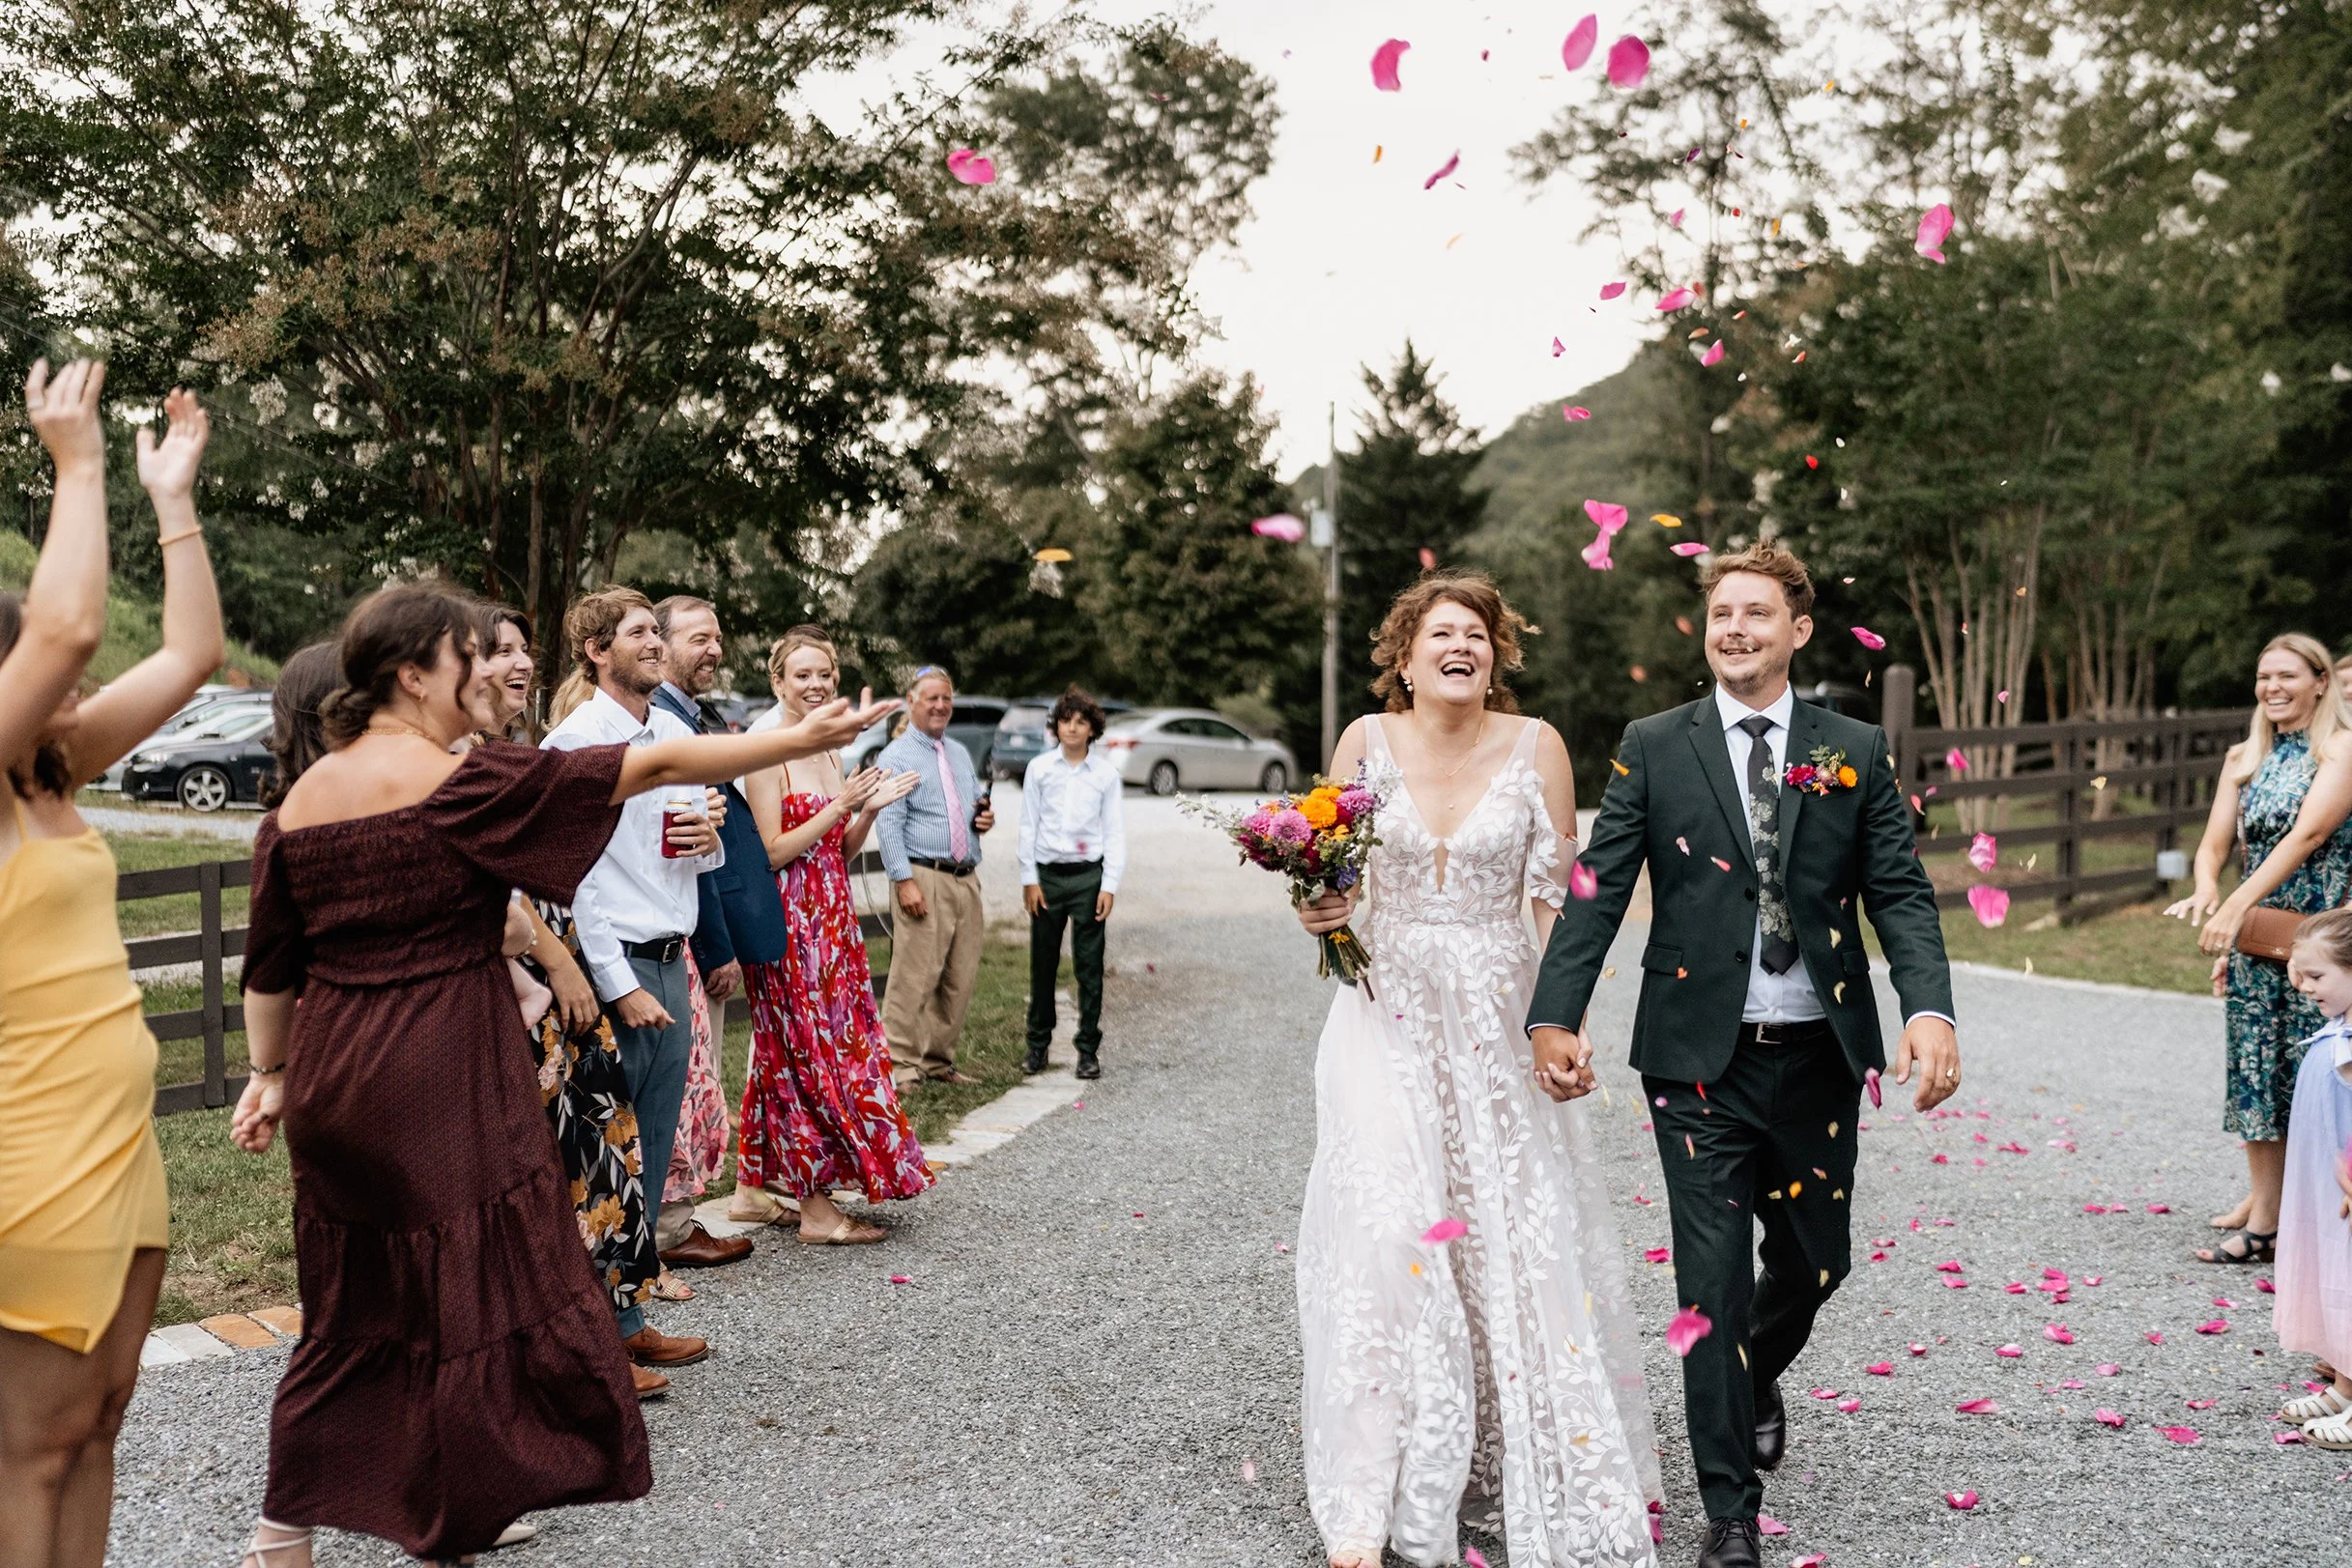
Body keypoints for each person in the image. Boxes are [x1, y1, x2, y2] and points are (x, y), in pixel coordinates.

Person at [225, 584, 894, 1567]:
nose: (489, 669)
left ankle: (290, 1538)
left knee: (349, 1306)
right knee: (469, 1292)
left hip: (334, 1082)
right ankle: (454, 1509)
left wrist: (272, 1076)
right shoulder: (462, 784)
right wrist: (791, 740)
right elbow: (656, 759)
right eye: (468, 655)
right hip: (438, 1070)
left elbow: (271, 971)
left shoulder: (301, 801)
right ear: (413, 675)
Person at [1524, 542, 1959, 1568]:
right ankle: (1730, 1510)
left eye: (1757, 614)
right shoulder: (1653, 744)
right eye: (1722, 613)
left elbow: (1895, 888)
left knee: (1815, 1261)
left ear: (1797, 631)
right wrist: (1554, 1014)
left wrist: (1929, 1009)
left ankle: (1755, 1373)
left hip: (1818, 1053)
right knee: (1708, 1288)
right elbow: (1596, 883)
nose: (1736, 630)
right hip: (1695, 1061)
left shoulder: (1849, 745)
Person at [1292, 572, 1660, 1568]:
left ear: (1494, 658)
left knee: (1503, 1231)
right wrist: (1319, 912)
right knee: (1386, 1230)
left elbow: (1558, 904)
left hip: (1501, 1013)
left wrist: (1561, 1023)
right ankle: (1374, 1499)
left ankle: (1496, 1457)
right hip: (1383, 1010)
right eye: (1440, 633)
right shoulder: (1363, 745)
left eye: (1478, 636)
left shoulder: (1536, 746)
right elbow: (1334, 883)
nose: (1462, 646)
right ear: (1403, 658)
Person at [1, 365, 224, 1568]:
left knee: (99, 1424)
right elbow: (69, 625)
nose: (80, 681)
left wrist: (167, 497)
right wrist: (74, 468)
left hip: (117, 1142)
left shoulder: (53, 768)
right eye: (46, 675)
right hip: (24, 1150)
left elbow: (192, 650)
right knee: (29, 1448)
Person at [465, 604, 670, 1400]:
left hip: (561, 958)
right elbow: (502, 891)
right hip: (529, 977)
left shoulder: (510, 750)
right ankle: (574, 1347)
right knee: (558, 1164)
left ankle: (612, 1325)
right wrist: (563, 964)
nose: (519, 664)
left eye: (524, 648)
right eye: (499, 651)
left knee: (599, 1152)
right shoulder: (464, 759)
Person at [540, 588, 752, 1305]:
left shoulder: (668, 731)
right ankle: (597, 1319)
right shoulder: (572, 743)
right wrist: (614, 980)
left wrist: (709, 840)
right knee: (607, 1152)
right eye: (640, 632)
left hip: (672, 956)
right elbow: (577, 876)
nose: (658, 642)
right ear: (598, 652)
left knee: (655, 1144)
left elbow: (681, 856)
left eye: (658, 631)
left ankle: (635, 1300)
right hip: (616, 965)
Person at [733, 626, 932, 1242]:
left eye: (824, 675)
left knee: (818, 1052)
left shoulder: (829, 749)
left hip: (833, 919)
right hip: (792, 923)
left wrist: (869, 805)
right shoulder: (766, 747)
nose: (816, 685)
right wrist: (840, 806)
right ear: (778, 681)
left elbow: (834, 850)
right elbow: (770, 853)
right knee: (800, 1053)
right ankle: (816, 1210)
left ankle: (751, 1189)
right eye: (802, 676)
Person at [2165, 632, 2352, 1265]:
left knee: (2321, 1079)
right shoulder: (2246, 756)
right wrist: (2206, 886)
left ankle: (2326, 1221)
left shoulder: (2341, 749)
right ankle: (2266, 1222)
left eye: (2287, 675)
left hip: (2325, 943)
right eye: (2263, 675)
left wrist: (2237, 904)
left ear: (2320, 680)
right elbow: (2216, 841)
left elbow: (2309, 833)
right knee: (2256, 1080)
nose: (2272, 686)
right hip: (2257, 946)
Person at [647, 596, 783, 1261]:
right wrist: (720, 944)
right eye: (701, 638)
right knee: (686, 1082)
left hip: (703, 928)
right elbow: (687, 851)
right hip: (692, 933)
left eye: (719, 638)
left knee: (700, 1080)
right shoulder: (665, 722)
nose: (716, 650)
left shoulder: (694, 714)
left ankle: (676, 1216)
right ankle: (670, 1224)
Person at [874, 666, 996, 1090]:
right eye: (932, 698)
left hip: (966, 876)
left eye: (946, 698)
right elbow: (888, 824)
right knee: (915, 974)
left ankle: (937, 1061)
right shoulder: (897, 756)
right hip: (924, 876)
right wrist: (903, 880)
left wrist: (983, 818)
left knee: (958, 976)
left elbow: (969, 806)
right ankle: (898, 1065)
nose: (941, 705)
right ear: (912, 701)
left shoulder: (959, 753)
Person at [2273, 906, 2352, 1449]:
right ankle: (2347, 1382)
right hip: (2330, 1183)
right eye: (2299, 976)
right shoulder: (2340, 1025)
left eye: (2316, 977)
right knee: (2338, 1270)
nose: (2303, 988)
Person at [1018, 686, 1126, 1079]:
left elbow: (1113, 831)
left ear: (1092, 730)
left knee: (1089, 967)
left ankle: (1087, 1049)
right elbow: (1028, 825)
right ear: (1056, 726)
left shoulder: (1105, 774)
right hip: (1047, 877)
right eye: (1066, 721)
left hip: (1087, 878)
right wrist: (1030, 878)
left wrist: (1108, 884)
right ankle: (1038, 1044)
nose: (1073, 728)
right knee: (1043, 964)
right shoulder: (1040, 769)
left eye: (1081, 722)